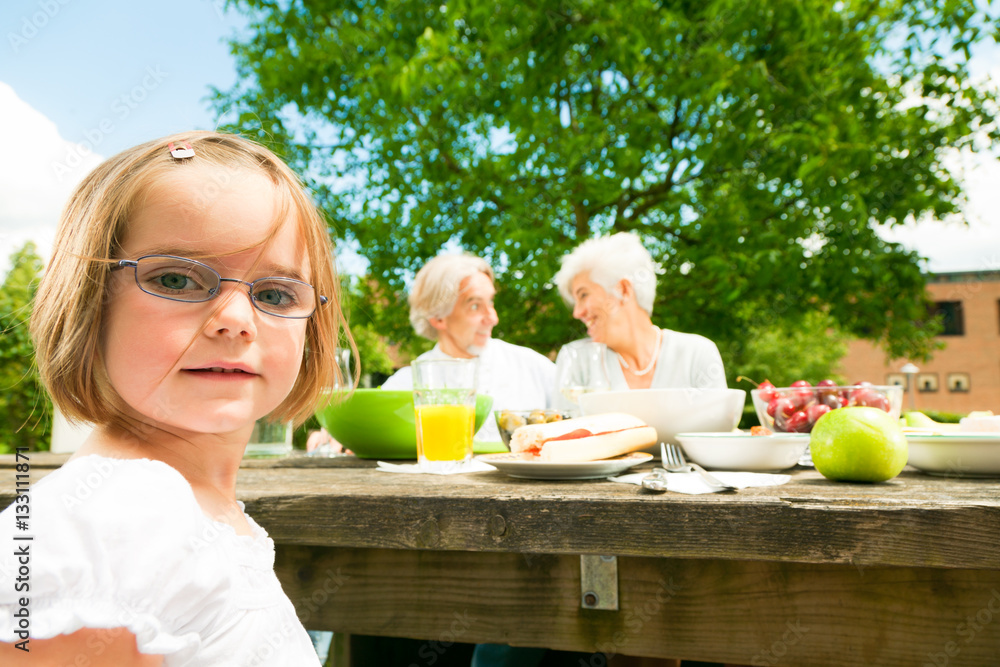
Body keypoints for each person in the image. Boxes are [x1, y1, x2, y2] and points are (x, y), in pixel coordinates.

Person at [0, 132, 349, 665]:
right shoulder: (122, 517)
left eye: (276, 293)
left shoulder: (178, 506)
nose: (235, 320)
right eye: (176, 279)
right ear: (90, 300)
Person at [381, 253, 556, 442]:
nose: (493, 318)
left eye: (490, 301)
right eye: (475, 306)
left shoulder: (532, 366)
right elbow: (369, 437)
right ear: (438, 317)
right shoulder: (406, 384)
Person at [552, 232, 727, 412]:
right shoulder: (576, 359)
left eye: (583, 295)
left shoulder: (697, 354)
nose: (577, 312)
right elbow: (562, 436)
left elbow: (718, 435)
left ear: (624, 290)